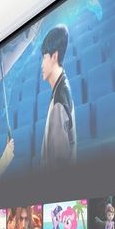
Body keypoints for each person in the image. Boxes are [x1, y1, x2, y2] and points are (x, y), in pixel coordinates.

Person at [39, 25, 77, 167]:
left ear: (54, 56)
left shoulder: (58, 103)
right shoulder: (60, 89)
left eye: (44, 57)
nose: (41, 65)